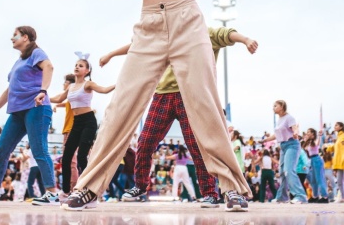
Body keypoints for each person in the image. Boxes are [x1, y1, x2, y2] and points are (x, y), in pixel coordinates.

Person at [54, 0, 272, 212]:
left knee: (205, 104)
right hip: (149, 24)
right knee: (121, 105)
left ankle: (232, 188)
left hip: (187, 20)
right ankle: (89, 187)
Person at [103, 26, 258, 208]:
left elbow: (226, 34)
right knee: (145, 142)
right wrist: (111, 54)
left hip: (190, 94)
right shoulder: (165, 35)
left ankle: (210, 193)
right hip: (162, 95)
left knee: (197, 146)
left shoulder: (202, 32)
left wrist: (246, 40)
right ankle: (140, 186)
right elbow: (138, 46)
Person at [0, 26, 61, 206]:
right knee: (1, 149)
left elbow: (49, 67)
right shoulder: (19, 61)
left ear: (25, 37)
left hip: (36, 108)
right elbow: (10, 89)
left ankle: (52, 194)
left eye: (15, 35)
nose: (12, 38)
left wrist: (43, 91)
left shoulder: (36, 53)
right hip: (17, 112)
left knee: (39, 150)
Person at [53, 54, 115, 196]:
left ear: (87, 71)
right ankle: (66, 192)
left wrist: (118, 85)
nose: (77, 67)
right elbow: (59, 98)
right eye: (76, 65)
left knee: (82, 156)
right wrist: (43, 96)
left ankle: (88, 189)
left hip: (88, 121)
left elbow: (104, 90)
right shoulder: (71, 87)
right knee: (66, 157)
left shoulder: (88, 84)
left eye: (80, 66)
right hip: (76, 123)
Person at [259, 100, 307, 204]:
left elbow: (295, 128)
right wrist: (265, 140)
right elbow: (276, 135)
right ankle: (282, 197)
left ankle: (300, 196)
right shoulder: (279, 120)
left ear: (281, 107)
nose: (273, 108)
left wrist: (296, 133)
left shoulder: (289, 118)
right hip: (283, 146)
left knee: (289, 170)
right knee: (282, 172)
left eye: (275, 106)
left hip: (292, 144)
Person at [53, 74, 78, 192]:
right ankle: (72, 189)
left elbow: (59, 98)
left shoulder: (73, 94)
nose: (63, 84)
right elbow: (64, 103)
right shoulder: (71, 98)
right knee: (69, 161)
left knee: (71, 162)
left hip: (70, 130)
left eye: (65, 82)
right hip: (70, 130)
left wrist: (45, 97)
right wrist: (58, 105)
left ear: (69, 85)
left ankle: (73, 189)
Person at [302, 128, 328, 203]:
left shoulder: (315, 141)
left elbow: (317, 143)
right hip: (311, 160)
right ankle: (315, 196)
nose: (307, 133)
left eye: (309, 132)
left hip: (316, 159)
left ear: (313, 134)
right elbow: (304, 148)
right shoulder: (308, 142)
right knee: (313, 180)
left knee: (319, 179)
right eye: (307, 132)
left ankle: (325, 196)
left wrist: (319, 136)